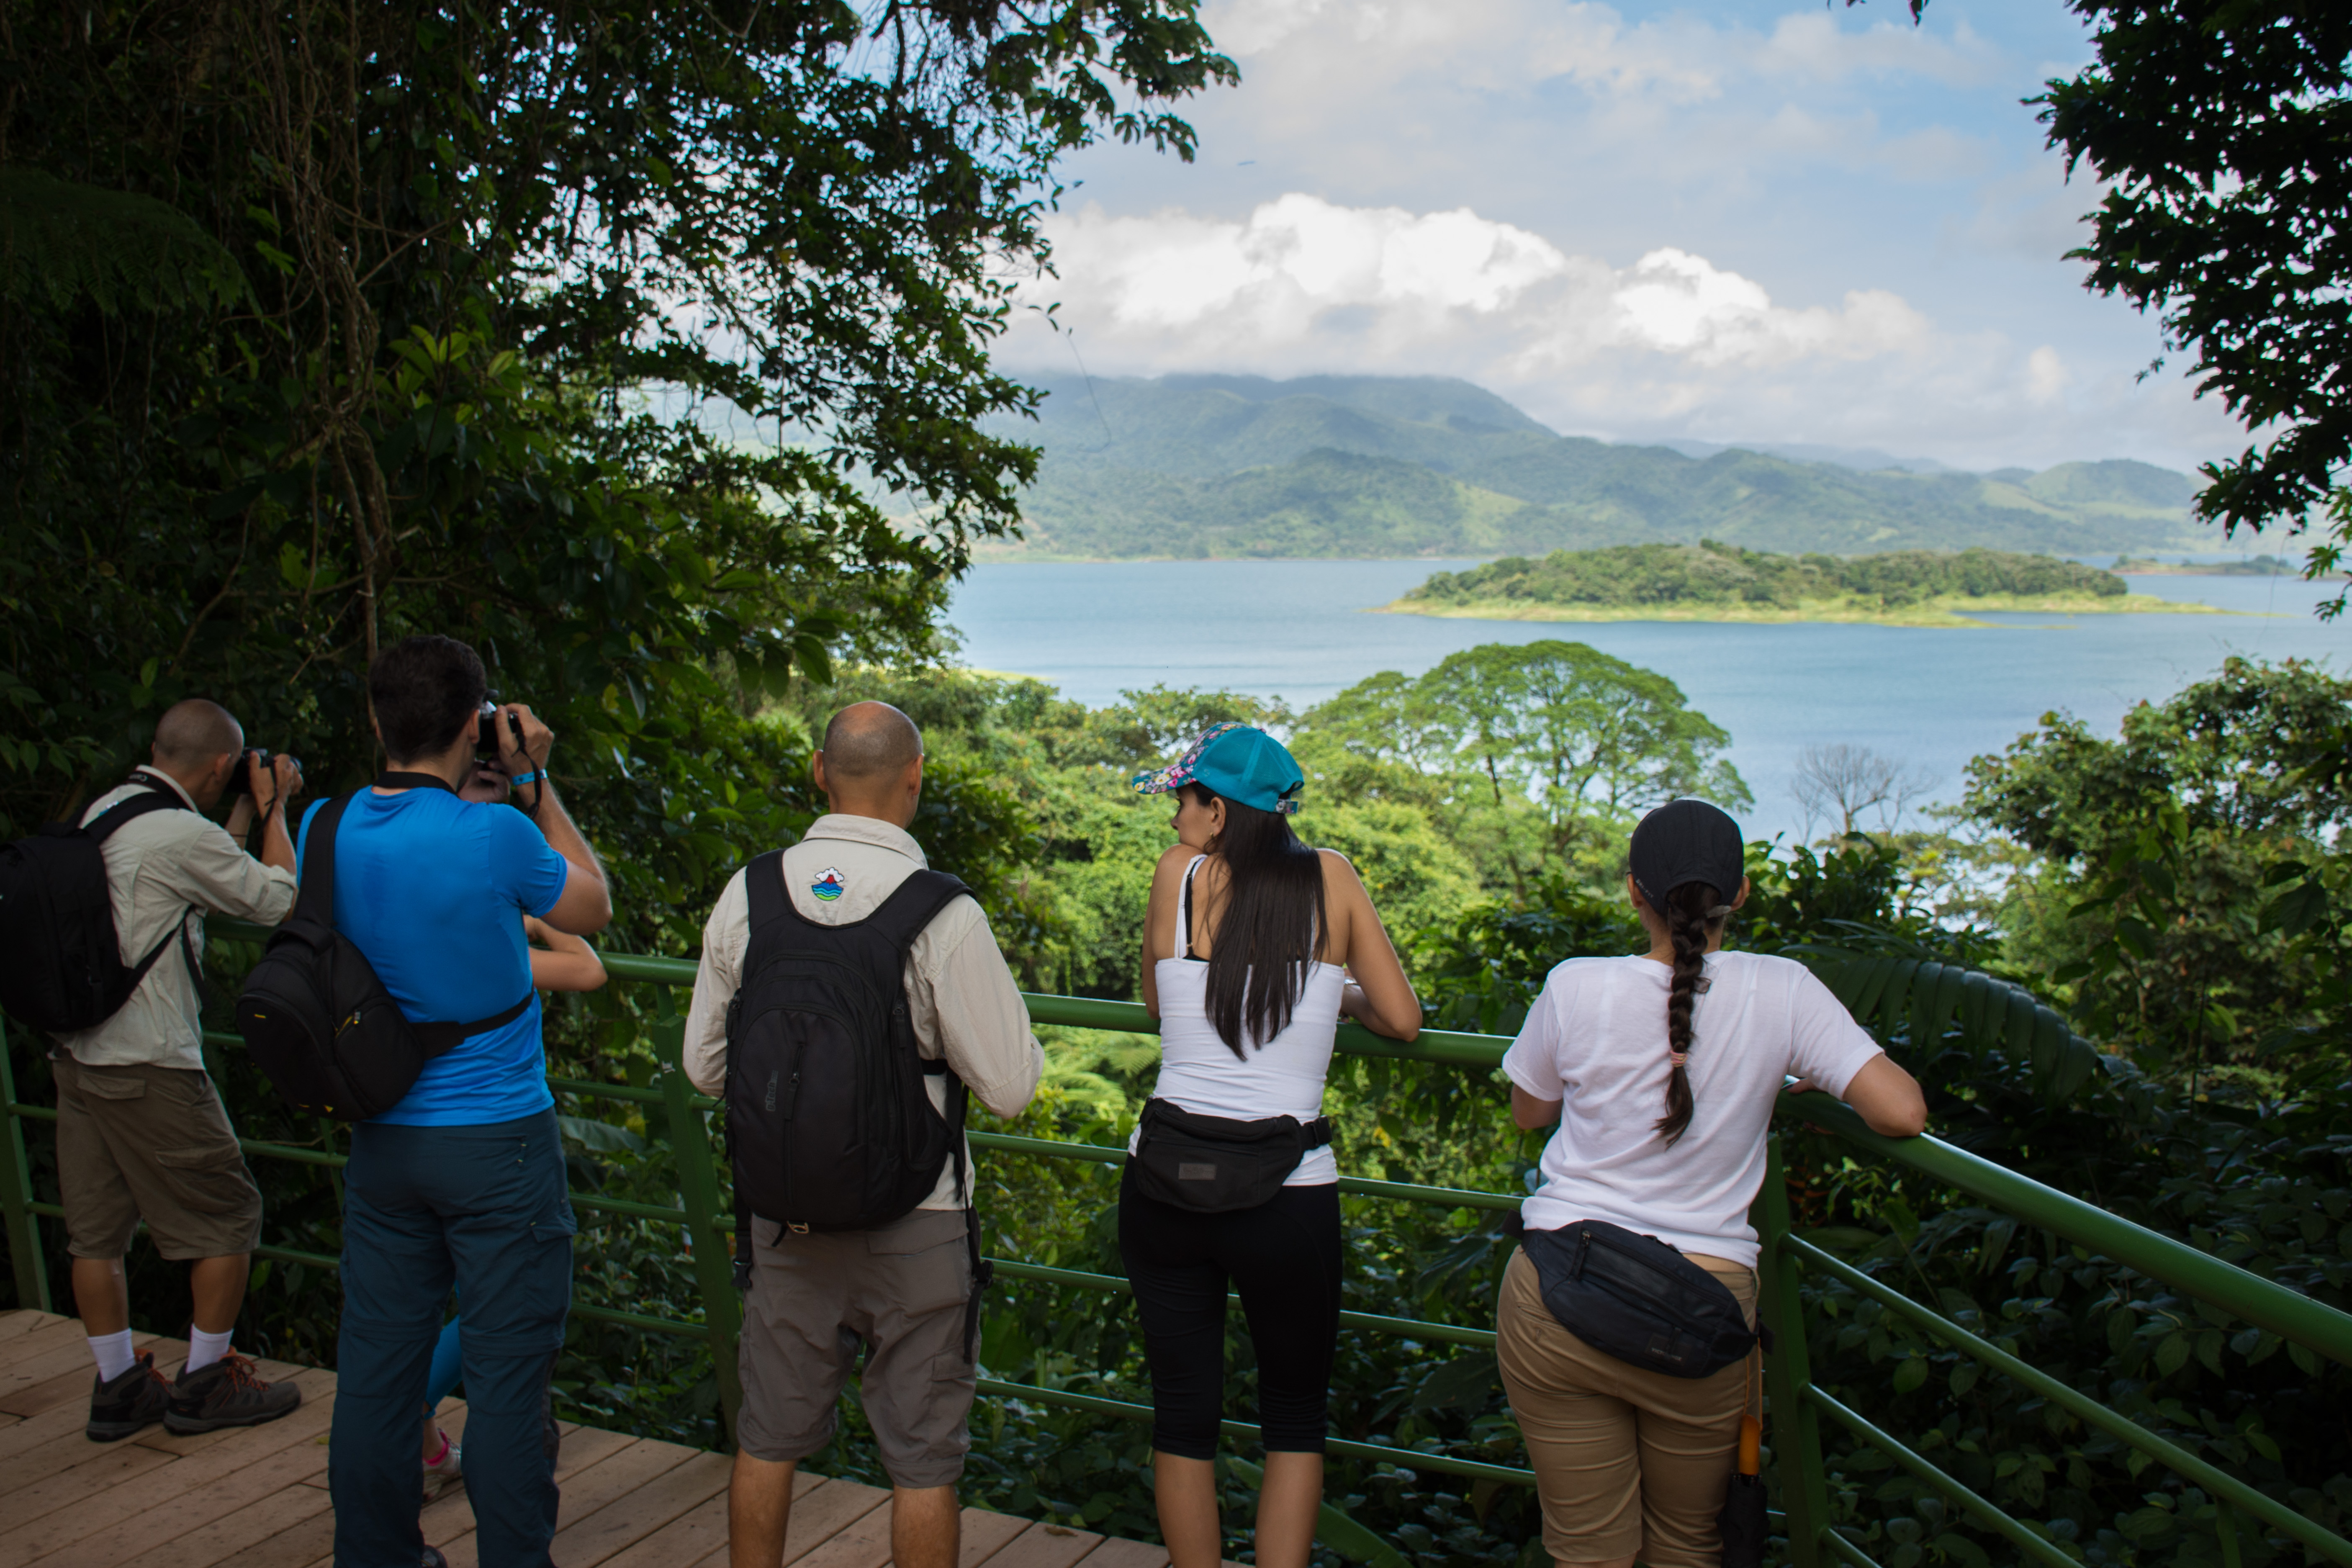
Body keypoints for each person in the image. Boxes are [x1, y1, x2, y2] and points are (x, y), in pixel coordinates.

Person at [1495, 797, 1928, 1568]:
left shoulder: (1575, 984)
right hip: (1702, 1314)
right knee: (1689, 1546)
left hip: (1560, 1289)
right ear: (1742, 893)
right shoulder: (1784, 989)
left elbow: (1531, 1111)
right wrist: (1816, 1080)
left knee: (1589, 1552)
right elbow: (1901, 1111)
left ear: (1634, 890)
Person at [684, 701, 1042, 1568]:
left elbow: (703, 1066)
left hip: (785, 1215)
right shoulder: (941, 911)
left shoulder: (750, 893)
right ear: (914, 779)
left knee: (766, 1439)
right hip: (916, 1217)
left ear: (819, 771)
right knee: (922, 1463)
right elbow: (1009, 1088)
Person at [314, 635, 612, 1568]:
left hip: (382, 1136)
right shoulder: (494, 835)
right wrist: (534, 782)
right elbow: (592, 908)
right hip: (498, 1144)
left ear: (378, 723)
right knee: (508, 1382)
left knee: (376, 1377)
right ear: (473, 724)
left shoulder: (326, 825)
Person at [1122, 722, 1422, 1568]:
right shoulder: (1332, 877)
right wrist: (1341, 991)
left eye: (1185, 799)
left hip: (1162, 1181)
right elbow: (1403, 1019)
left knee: (1183, 1415)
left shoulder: (1177, 875)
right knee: (1293, 1419)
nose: (1175, 816)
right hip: (1287, 1194)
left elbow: (1157, 1003)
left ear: (1219, 811)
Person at [54, 698, 306, 1442]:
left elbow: (199, 871)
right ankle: (204, 1382)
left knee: (95, 1236)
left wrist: (240, 811)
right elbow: (274, 898)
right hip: (151, 1063)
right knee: (229, 1215)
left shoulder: (110, 809)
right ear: (223, 764)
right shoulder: (179, 833)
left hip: (80, 1057)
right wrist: (276, 809)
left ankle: (118, 1387)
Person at [413, 757, 612, 1497]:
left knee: (419, 1300)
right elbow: (586, 964)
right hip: (495, 1134)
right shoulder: (498, 933)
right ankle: (416, 1415)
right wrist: (529, 913)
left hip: (399, 1128)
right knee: (512, 1302)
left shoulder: (390, 881)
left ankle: (413, 1434)